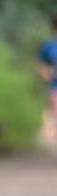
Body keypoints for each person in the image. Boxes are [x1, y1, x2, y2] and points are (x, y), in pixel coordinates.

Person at [36, 15, 57, 149]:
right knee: (54, 108)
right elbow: (40, 65)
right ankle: (50, 131)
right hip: (54, 84)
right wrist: (46, 75)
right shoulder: (48, 45)